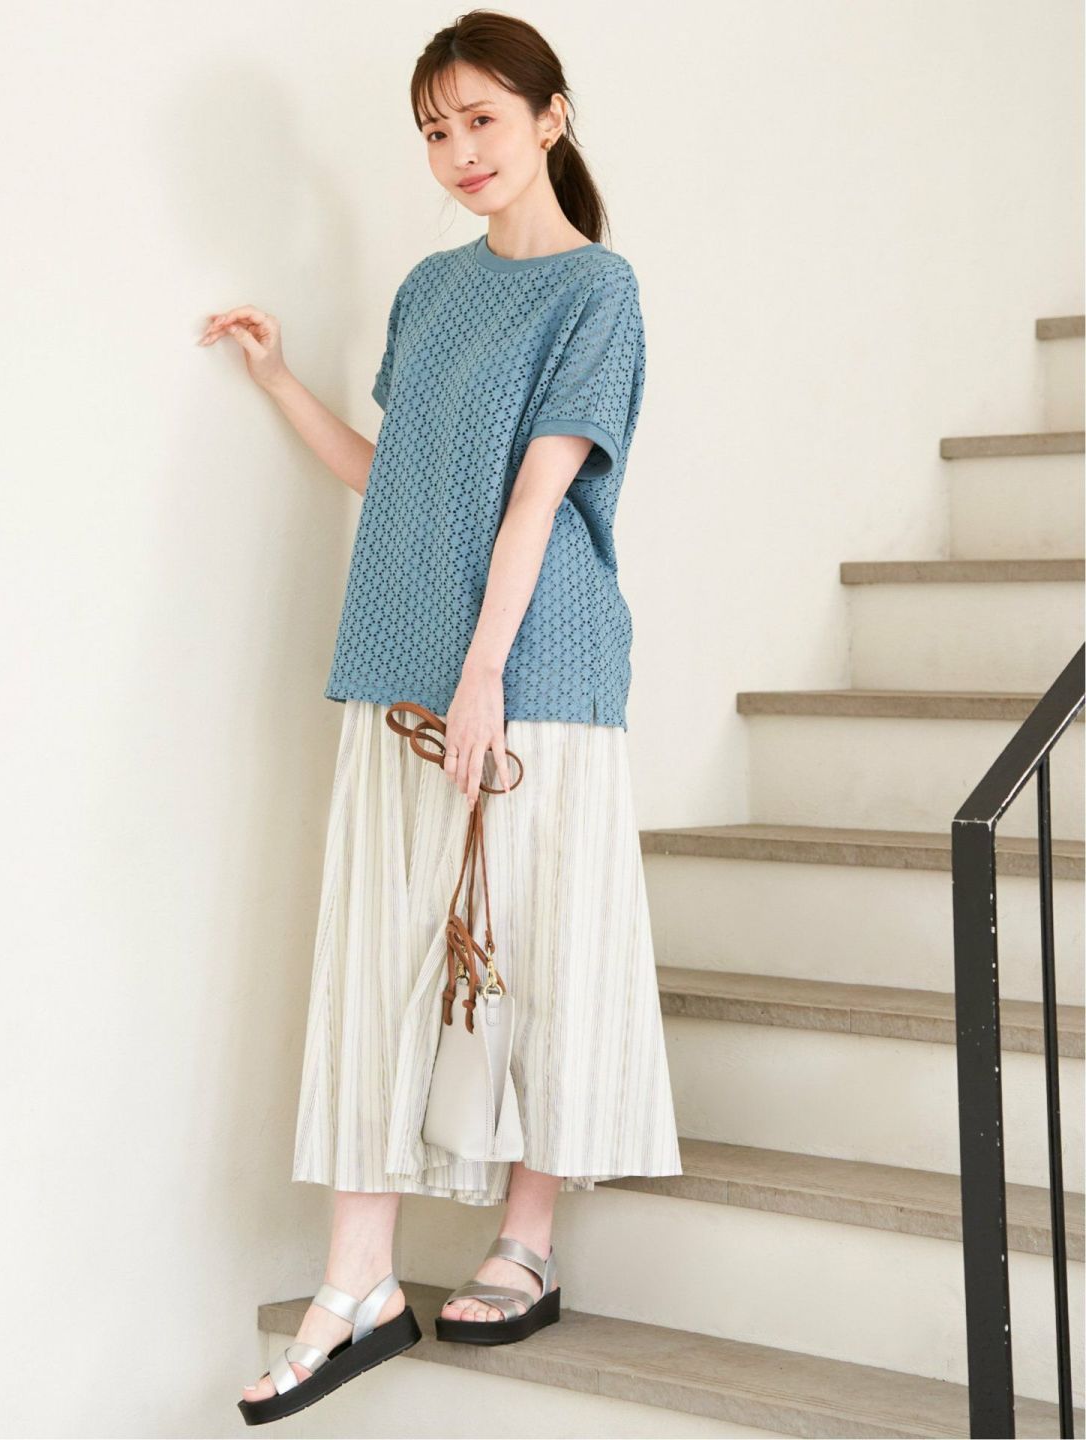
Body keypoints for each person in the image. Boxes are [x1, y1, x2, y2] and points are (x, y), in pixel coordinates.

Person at [198, 9, 682, 1425]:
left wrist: (486, 673)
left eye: (481, 119)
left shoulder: (599, 290)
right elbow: (396, 475)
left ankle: (526, 1241)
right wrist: (277, 377)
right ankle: (359, 1280)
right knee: (382, 959)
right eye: (434, 130)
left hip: (538, 669)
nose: (459, 151)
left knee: (539, 950)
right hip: (397, 661)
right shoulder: (428, 290)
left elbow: (538, 494)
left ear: (549, 117)